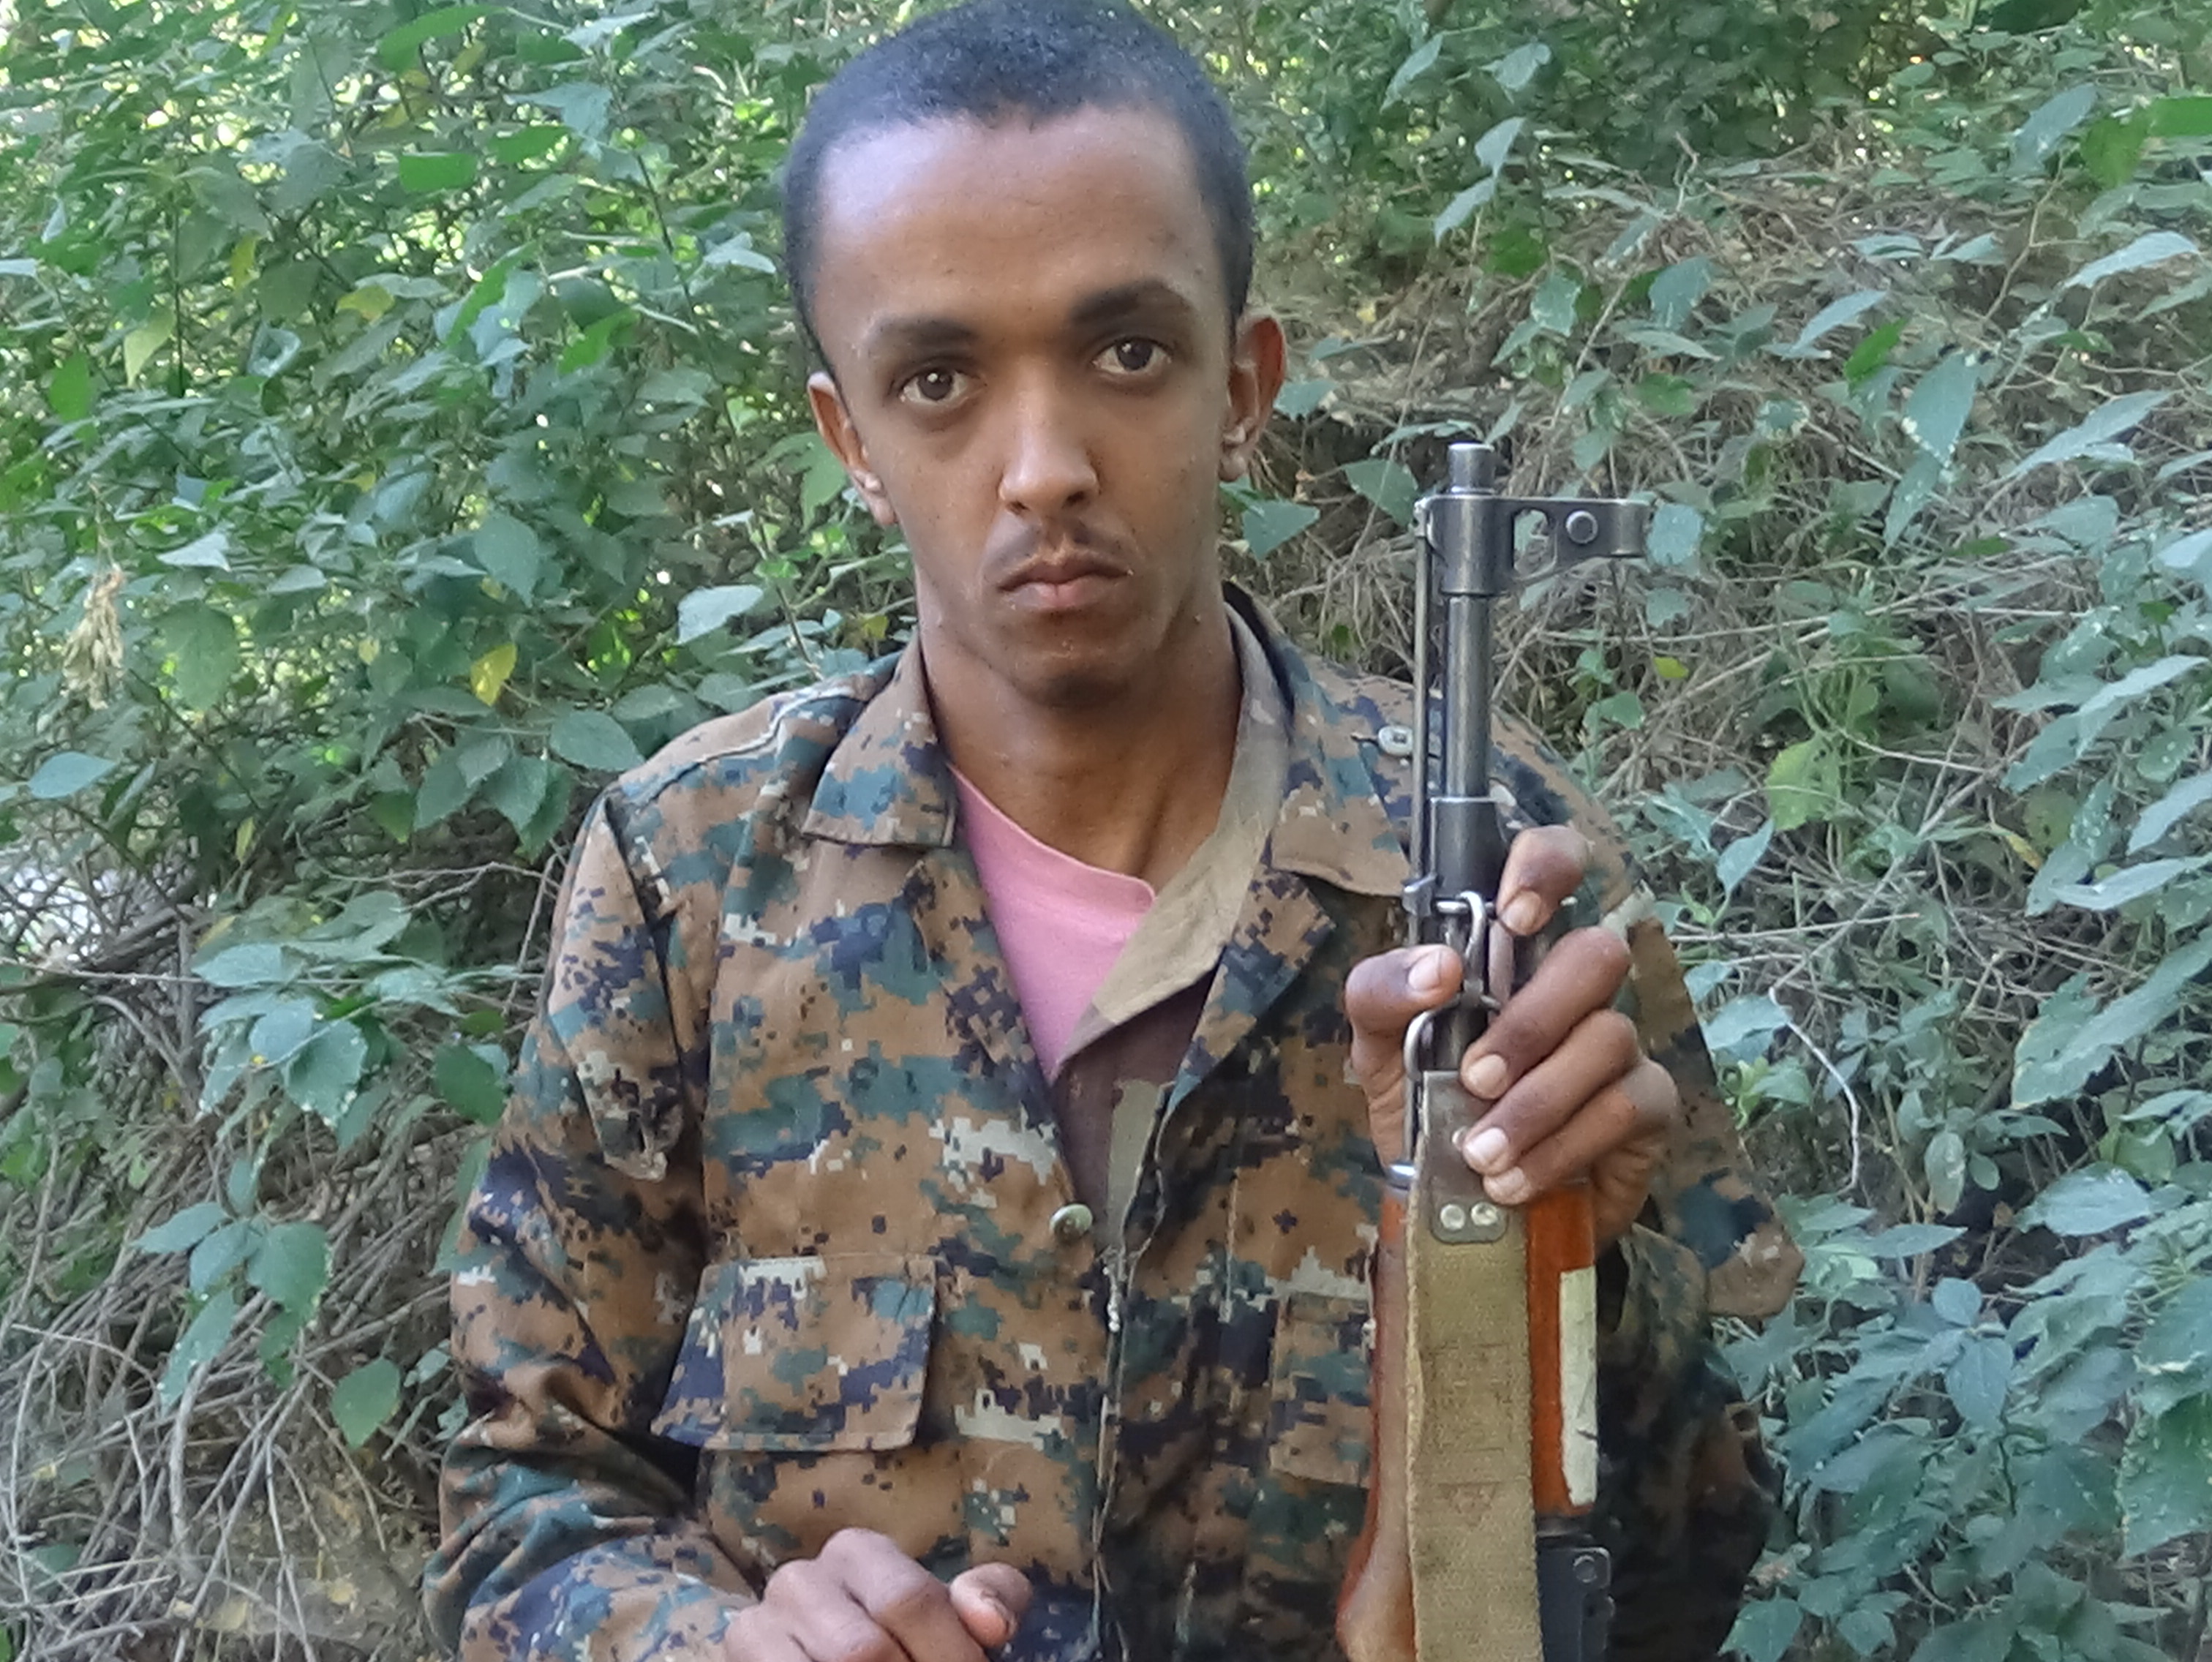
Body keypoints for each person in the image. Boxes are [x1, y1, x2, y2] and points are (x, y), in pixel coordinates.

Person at [423, 4, 1797, 1658]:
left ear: (1244, 383)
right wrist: (709, 1643)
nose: (1045, 469)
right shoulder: (692, 877)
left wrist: (1564, 1270)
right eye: (938, 380)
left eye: (1128, 353)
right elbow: (523, 1504)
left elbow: (1690, 1566)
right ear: (852, 440)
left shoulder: (1498, 873)